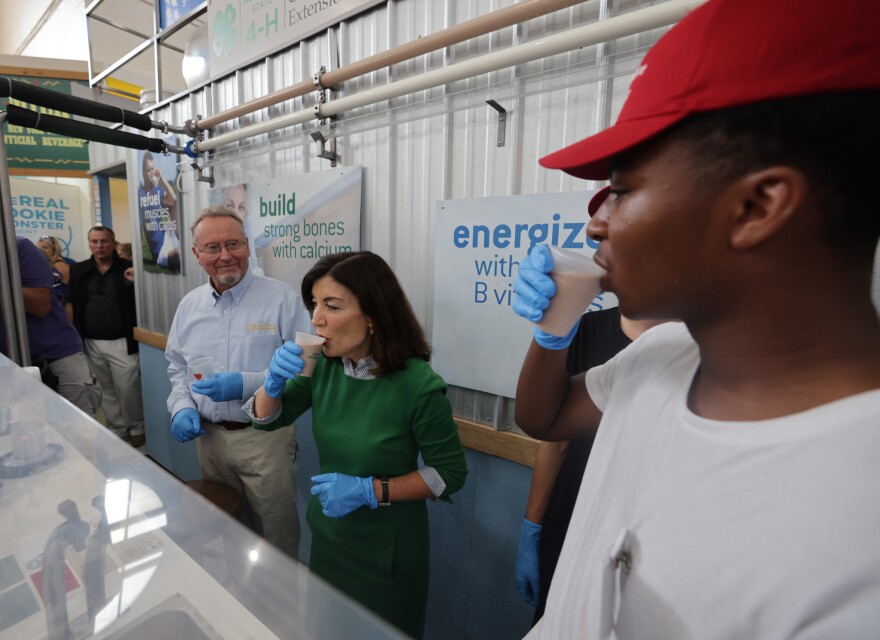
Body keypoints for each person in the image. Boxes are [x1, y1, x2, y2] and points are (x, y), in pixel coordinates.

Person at [513, 0, 880, 637]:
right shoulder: (663, 355)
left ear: (756, 207)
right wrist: (553, 333)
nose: (596, 221)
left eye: (621, 190)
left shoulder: (857, 535)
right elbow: (541, 418)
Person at [247, 251, 468, 639]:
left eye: (331, 306)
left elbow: (448, 475)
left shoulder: (418, 385)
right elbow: (267, 420)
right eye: (314, 304)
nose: (316, 319)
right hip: (331, 539)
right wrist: (272, 383)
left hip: (386, 555)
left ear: (373, 315)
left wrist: (372, 490)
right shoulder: (324, 367)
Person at [165, 206, 311, 559]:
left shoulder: (282, 300)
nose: (226, 256)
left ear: (248, 246)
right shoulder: (189, 306)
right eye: (213, 248)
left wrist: (245, 383)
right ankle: (240, 608)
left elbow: (308, 370)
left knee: (274, 542)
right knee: (228, 531)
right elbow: (177, 366)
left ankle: (278, 613)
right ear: (197, 255)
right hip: (210, 441)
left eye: (234, 244)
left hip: (265, 440)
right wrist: (181, 407)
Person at [0, 237, 100, 416]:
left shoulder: (16, 247)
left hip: (57, 355)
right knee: (27, 430)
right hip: (11, 363)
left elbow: (40, 305)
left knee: (79, 431)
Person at [66, 226, 145, 447]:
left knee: (128, 388)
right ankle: (118, 428)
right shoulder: (79, 271)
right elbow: (71, 302)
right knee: (105, 389)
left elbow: (139, 299)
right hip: (90, 341)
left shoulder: (128, 268)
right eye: (94, 241)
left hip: (122, 342)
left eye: (104, 241)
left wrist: (133, 283)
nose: (99, 246)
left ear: (113, 243)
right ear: (89, 243)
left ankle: (137, 426)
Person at [138, 151, 181, 271]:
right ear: (143, 173)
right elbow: (139, 227)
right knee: (184, 253)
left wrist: (161, 180)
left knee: (177, 206)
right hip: (160, 249)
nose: (151, 172)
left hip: (169, 235)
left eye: (152, 169)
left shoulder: (158, 190)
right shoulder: (140, 195)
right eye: (148, 170)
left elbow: (174, 200)